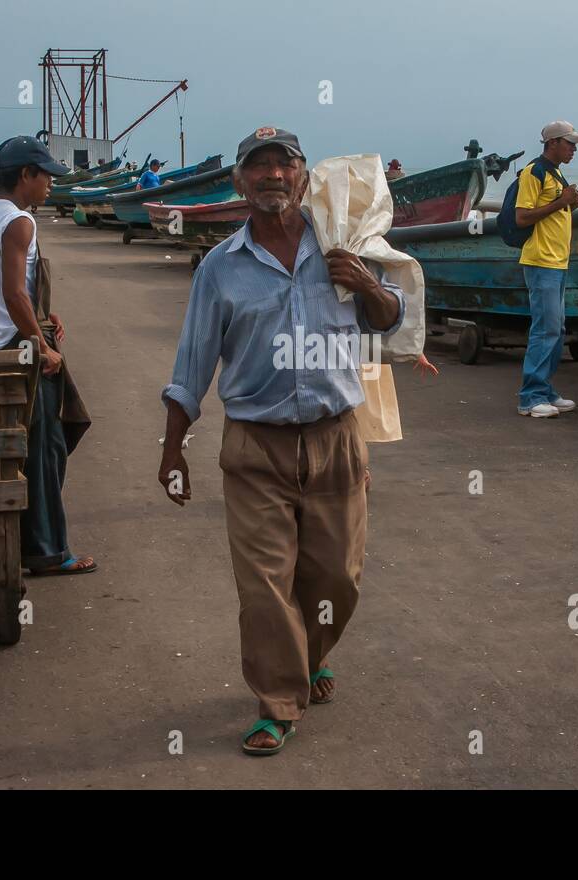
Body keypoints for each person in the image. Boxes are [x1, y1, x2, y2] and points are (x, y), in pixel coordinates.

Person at [158, 126, 403, 756]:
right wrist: (172, 449)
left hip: (335, 439)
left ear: (303, 176)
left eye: (283, 164)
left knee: (337, 580)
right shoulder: (219, 267)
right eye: (258, 166)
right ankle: (277, 701)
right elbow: (193, 362)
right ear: (240, 181)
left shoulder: (343, 243)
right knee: (264, 582)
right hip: (255, 446)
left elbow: (391, 319)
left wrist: (369, 283)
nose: (272, 175)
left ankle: (308, 658)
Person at [0, 136, 96, 576]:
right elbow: (13, 292)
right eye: (45, 177)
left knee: (24, 451)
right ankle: (46, 551)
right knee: (44, 452)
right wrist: (40, 343)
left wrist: (41, 316)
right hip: (18, 351)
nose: (49, 186)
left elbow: (2, 289)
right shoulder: (20, 222)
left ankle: (19, 541)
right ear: (26, 175)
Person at [515, 120, 578, 418]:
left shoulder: (555, 173)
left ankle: (544, 390)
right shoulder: (535, 171)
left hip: (557, 262)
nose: (573, 149)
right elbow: (522, 217)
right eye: (569, 143)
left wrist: (570, 204)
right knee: (545, 329)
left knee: (555, 329)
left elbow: (554, 210)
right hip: (541, 261)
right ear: (553, 142)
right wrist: (561, 202)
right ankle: (530, 398)